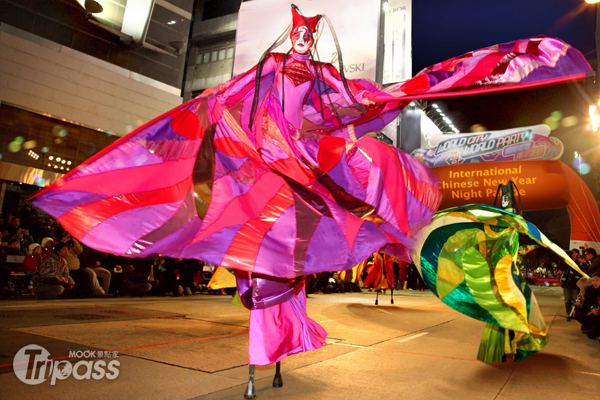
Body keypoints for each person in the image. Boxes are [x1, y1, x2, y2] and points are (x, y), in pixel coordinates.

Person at [29, 5, 593, 367]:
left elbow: (360, 104)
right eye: (295, 41)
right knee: (260, 254)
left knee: (300, 237)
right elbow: (222, 109)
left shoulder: (324, 87)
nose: (301, 49)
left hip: (311, 170)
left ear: (314, 42)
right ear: (287, 40)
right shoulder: (260, 82)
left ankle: (281, 317)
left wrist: (407, 92)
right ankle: (273, 318)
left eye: (308, 42)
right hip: (265, 170)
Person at [560, 250, 584, 320]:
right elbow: (561, 268)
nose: (573, 254)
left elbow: (583, 271)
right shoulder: (566, 262)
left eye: (574, 253)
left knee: (574, 299)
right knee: (567, 299)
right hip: (566, 283)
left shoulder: (579, 263)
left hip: (575, 284)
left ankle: (574, 314)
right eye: (572, 253)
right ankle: (569, 313)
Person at [579, 272, 600, 339]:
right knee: (584, 326)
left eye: (597, 280)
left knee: (591, 335)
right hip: (595, 313)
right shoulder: (590, 291)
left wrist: (596, 312)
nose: (595, 282)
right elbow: (586, 305)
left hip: (598, 313)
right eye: (593, 280)